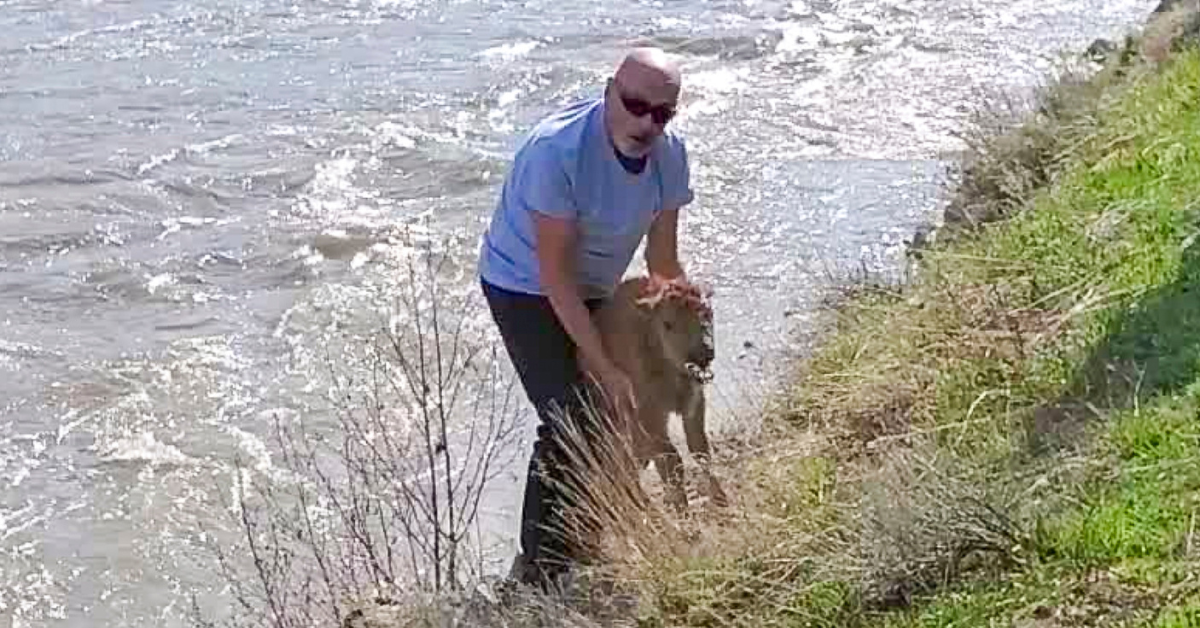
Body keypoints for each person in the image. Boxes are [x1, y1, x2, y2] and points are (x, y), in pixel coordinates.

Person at [476, 47, 695, 590]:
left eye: (661, 113)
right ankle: (539, 573)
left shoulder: (670, 157)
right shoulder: (558, 152)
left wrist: (685, 308)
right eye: (635, 104)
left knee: (636, 403)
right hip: (524, 284)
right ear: (608, 92)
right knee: (575, 413)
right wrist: (603, 365)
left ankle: (590, 528)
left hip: (597, 284)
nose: (646, 122)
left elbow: (662, 262)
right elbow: (556, 279)